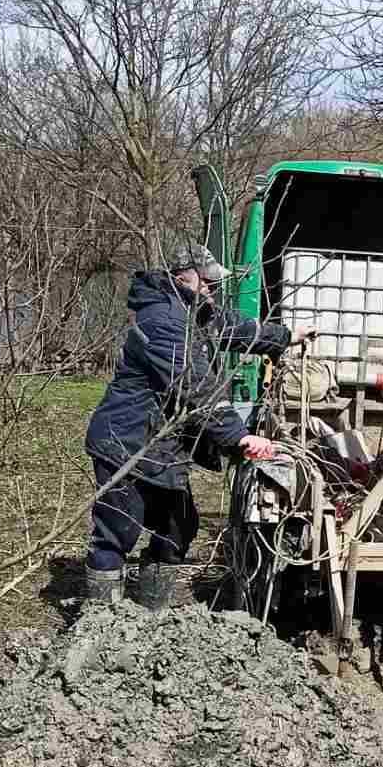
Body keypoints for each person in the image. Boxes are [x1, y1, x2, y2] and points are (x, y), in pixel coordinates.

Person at [82, 243, 310, 608]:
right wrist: (238, 436)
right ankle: (100, 623)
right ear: (181, 277)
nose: (214, 289)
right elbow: (196, 387)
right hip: (126, 442)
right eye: (208, 281)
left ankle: (147, 615)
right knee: (118, 530)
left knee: (178, 527)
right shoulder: (164, 321)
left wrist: (284, 337)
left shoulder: (194, 313)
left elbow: (236, 328)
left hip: (160, 447)